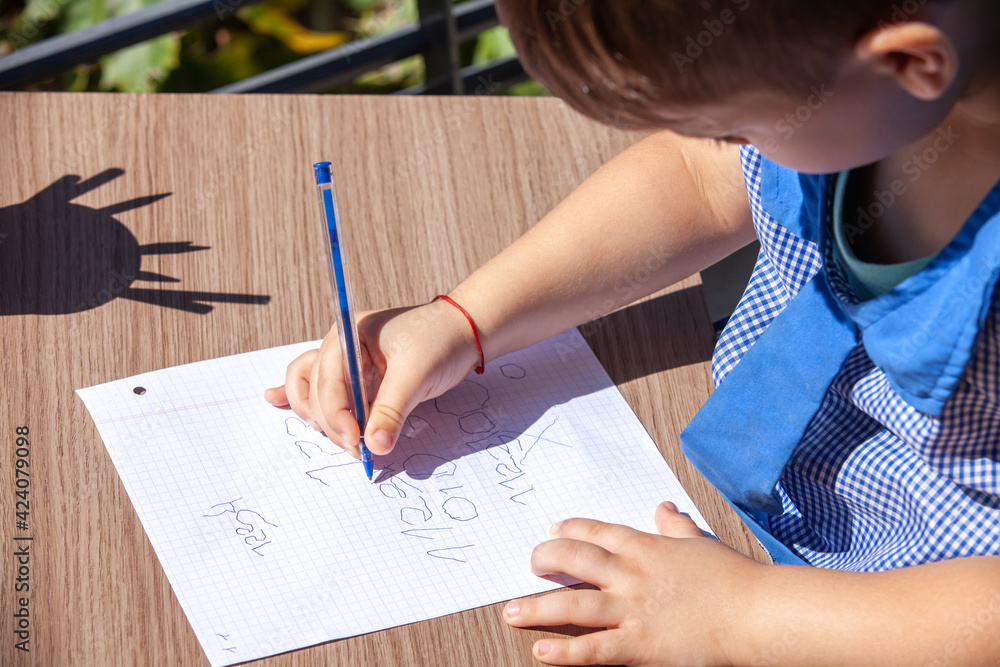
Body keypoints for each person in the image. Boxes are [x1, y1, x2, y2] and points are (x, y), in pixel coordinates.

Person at [265, 0, 1000, 663]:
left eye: (733, 127)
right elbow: (700, 178)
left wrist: (743, 617)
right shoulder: (848, 88)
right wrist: (463, 319)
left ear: (910, 62)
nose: (722, 144)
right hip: (732, 512)